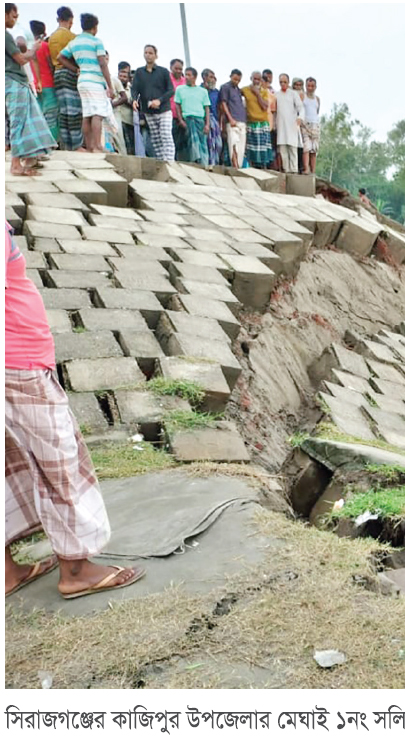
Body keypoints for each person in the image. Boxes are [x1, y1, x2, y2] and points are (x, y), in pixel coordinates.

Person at [5, 221, 147, 600]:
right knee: (57, 460)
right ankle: (77, 570)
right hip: (17, 365)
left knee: (10, 461)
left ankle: (6, 571)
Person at [6, 3, 56, 175]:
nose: (16, 19)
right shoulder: (5, 35)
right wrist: (33, 48)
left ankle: (29, 158)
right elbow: (21, 58)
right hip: (13, 81)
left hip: (17, 81)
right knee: (19, 121)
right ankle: (15, 163)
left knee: (30, 120)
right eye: (13, 16)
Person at [57, 14, 112, 155]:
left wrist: (75, 69)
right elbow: (102, 63)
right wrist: (110, 85)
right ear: (94, 27)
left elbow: (60, 57)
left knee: (87, 114)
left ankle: (90, 146)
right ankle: (98, 146)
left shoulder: (75, 42)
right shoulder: (96, 42)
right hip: (94, 80)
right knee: (97, 114)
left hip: (82, 81)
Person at [130, 44, 175, 161]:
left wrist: (159, 100)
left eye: (151, 53)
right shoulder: (139, 72)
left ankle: (169, 161)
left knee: (165, 135)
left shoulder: (163, 71)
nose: (148, 55)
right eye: (146, 53)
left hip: (164, 109)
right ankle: (161, 161)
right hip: (148, 110)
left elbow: (171, 90)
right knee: (155, 138)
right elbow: (135, 88)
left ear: (156, 56)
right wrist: (135, 99)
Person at [48, 5, 79, 150]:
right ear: (71, 20)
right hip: (69, 74)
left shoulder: (52, 37)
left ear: (57, 19)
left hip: (56, 74)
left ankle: (66, 145)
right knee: (74, 111)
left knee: (64, 112)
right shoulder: (71, 37)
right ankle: (76, 145)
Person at [29, 19, 58, 143]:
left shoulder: (28, 48)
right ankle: (51, 142)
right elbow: (50, 64)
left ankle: (38, 142)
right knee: (51, 115)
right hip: (48, 84)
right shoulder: (44, 46)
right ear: (43, 33)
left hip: (33, 85)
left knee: (37, 115)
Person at [173, 66, 209, 166]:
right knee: (190, 143)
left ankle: (204, 164)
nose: (187, 77)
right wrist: (180, 120)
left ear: (195, 77)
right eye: (186, 75)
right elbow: (177, 105)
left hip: (199, 120)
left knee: (202, 143)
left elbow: (206, 108)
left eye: (189, 75)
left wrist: (207, 124)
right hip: (187, 119)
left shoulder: (203, 91)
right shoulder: (180, 89)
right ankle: (194, 162)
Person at [241, 70, 272, 169]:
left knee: (263, 151)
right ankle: (251, 168)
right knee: (251, 149)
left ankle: (263, 169)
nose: (257, 81)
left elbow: (265, 106)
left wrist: (257, 94)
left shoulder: (264, 91)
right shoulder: (245, 90)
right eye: (255, 79)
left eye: (259, 79)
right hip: (251, 123)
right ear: (251, 79)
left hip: (262, 123)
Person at [273, 73, 303, 173]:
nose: (283, 84)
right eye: (281, 82)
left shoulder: (293, 94)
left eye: (285, 82)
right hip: (281, 125)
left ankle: (294, 170)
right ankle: (286, 169)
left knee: (293, 149)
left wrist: (300, 118)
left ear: (288, 82)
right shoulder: (276, 95)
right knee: (282, 149)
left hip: (292, 125)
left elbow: (301, 108)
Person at [218, 68, 246, 168]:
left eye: (238, 80)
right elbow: (223, 103)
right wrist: (230, 118)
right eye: (235, 79)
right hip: (232, 120)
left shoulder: (238, 90)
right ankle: (235, 166)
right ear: (230, 77)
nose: (236, 81)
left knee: (241, 147)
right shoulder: (225, 87)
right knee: (233, 144)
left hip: (241, 120)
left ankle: (240, 166)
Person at [111, 60, 134, 154]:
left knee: (130, 144)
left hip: (129, 120)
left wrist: (124, 100)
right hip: (117, 119)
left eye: (125, 76)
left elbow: (134, 103)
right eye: (120, 76)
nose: (122, 78)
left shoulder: (131, 89)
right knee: (119, 142)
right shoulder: (113, 84)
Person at [166, 57, 187, 161]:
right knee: (171, 141)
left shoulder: (185, 81)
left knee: (183, 142)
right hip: (170, 114)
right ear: (171, 68)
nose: (178, 71)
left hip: (184, 116)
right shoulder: (166, 79)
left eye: (180, 69)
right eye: (176, 68)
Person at [200, 68, 221, 165]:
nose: (213, 79)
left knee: (217, 144)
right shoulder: (198, 90)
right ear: (204, 78)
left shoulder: (216, 92)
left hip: (215, 121)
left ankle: (215, 163)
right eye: (210, 77)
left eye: (214, 77)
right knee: (206, 144)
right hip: (203, 120)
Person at [300, 76, 320, 174]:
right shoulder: (302, 96)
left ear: (315, 87)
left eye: (312, 86)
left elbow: (317, 111)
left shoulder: (317, 99)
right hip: (305, 123)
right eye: (308, 86)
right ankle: (306, 168)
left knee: (314, 149)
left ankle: (313, 170)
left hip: (315, 125)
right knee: (306, 147)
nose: (310, 88)